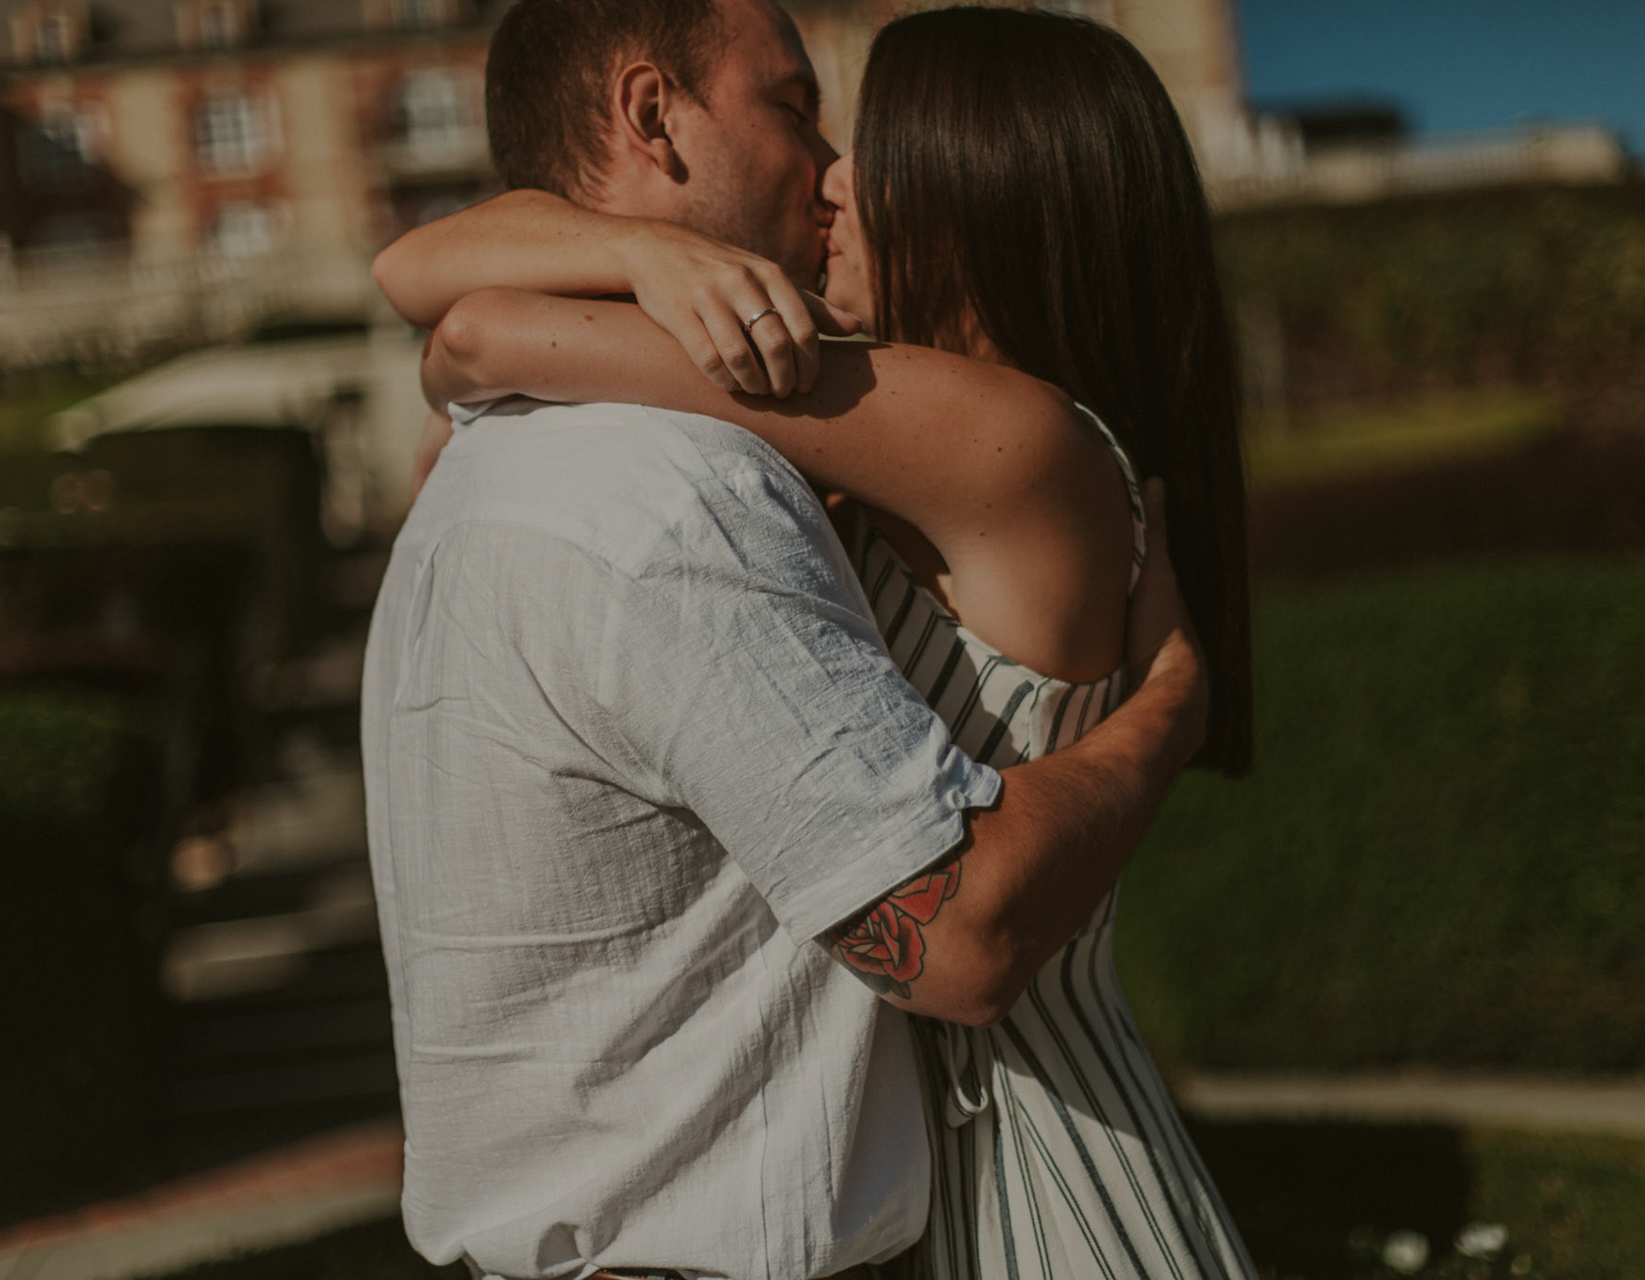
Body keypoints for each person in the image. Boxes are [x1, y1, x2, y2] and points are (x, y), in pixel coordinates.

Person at [379, 7, 1258, 1279]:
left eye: (862, 144)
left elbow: (470, 331)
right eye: (802, 118)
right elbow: (428, 272)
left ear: (978, 191)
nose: (827, 174)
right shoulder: (896, 447)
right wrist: (639, 249)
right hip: (967, 1141)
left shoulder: (1008, 435)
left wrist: (1169, 720)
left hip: (1042, 1159)